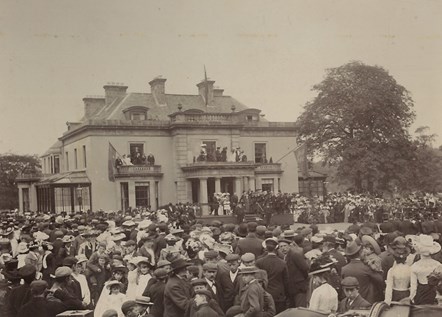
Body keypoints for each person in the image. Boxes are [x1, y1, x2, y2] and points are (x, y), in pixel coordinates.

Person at [255, 238, 289, 314]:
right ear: (276, 248)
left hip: (264, 294)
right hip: (279, 294)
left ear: (266, 248)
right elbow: (286, 281)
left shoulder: (259, 262)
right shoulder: (282, 263)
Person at [410, 234, 442, 305]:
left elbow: (413, 287)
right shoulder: (438, 265)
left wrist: (411, 298)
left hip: (421, 294)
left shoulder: (415, 266)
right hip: (435, 295)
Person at [384, 236, 412, 303]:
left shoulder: (392, 270)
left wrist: (387, 302)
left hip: (395, 295)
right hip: (407, 294)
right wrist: (411, 298)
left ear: (394, 257)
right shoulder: (410, 269)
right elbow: (413, 286)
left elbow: (389, 288)